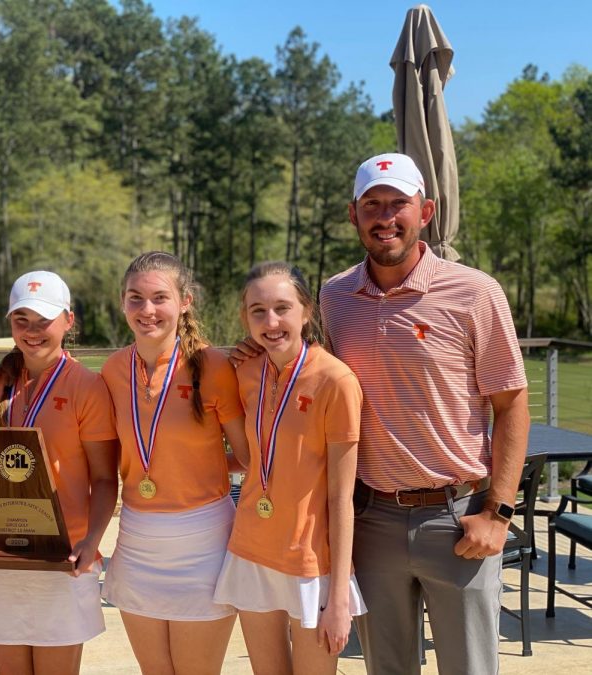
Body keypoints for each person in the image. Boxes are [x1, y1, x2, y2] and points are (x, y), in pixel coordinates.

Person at [234, 153, 530, 673]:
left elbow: (511, 403)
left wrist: (498, 511)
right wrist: (260, 347)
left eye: (399, 203)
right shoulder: (335, 294)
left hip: (457, 518)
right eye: (372, 204)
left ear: (427, 211)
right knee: (387, 668)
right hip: (371, 520)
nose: (385, 216)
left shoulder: (475, 291)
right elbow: (308, 365)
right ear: (353, 214)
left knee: (470, 668)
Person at [0, 270, 119, 675]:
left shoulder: (87, 387)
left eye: (44, 322)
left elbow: (105, 478)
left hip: (62, 557)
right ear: (10, 323)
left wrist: (92, 540)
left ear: (68, 321)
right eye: (22, 321)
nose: (32, 332)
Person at [100, 251, 249, 675]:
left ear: (185, 301)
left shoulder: (214, 366)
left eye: (159, 298)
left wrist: (203, 465)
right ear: (123, 302)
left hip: (203, 542)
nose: (147, 310)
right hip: (135, 540)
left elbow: (248, 457)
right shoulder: (112, 371)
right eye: (135, 298)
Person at [214, 262, 366, 675]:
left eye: (283, 307)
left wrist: (338, 599)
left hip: (310, 562)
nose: (271, 321)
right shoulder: (243, 370)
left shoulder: (337, 381)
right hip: (251, 547)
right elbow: (251, 456)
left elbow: (341, 497)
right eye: (257, 311)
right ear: (244, 318)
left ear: (306, 311)